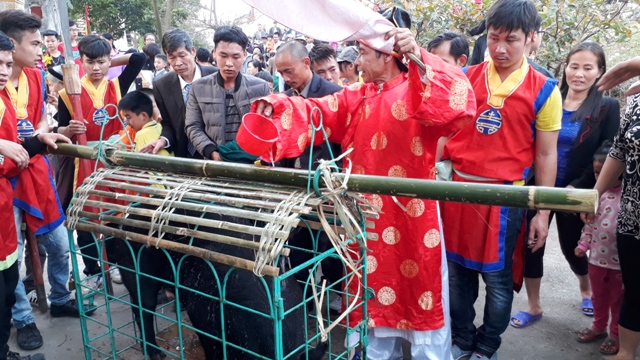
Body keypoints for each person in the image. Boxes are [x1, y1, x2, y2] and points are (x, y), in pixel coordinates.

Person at [248, 13, 476, 358]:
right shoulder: (358, 95)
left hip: (413, 218)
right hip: (367, 217)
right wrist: (278, 106)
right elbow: (316, 112)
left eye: (362, 53)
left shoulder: (419, 92)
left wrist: (418, 54)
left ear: (387, 56)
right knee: (371, 291)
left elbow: (457, 102)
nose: (356, 61)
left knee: (420, 289)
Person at [439, 1, 563, 359]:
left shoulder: (545, 90)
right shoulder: (466, 78)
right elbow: (446, 135)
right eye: (494, 38)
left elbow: (545, 155)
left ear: (532, 39)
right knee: (457, 273)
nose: (500, 48)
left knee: (497, 278)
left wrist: (542, 212)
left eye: (511, 39)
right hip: (458, 189)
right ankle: (462, 338)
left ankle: (489, 342)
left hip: (506, 197)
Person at [509, 42, 620, 331]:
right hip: (539, 188)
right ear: (565, 67)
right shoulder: (549, 97)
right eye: (574, 66)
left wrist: (579, 186)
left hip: (576, 191)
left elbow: (607, 152)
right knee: (532, 245)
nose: (579, 74)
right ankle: (534, 305)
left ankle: (586, 288)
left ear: (600, 72)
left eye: (587, 68)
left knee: (574, 248)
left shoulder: (608, 107)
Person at [0, 10, 89, 352]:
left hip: (35, 166)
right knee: (13, 252)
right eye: (35, 43)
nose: (42, 49)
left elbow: (38, 123)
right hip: (5, 176)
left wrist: (57, 132)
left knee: (59, 242)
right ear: (11, 44)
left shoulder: (37, 77)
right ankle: (22, 319)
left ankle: (61, 296)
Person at [56, 35, 145, 289]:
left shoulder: (118, 84)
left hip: (115, 161)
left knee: (116, 214)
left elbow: (139, 58)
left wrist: (108, 53)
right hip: (83, 163)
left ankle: (114, 262)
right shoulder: (66, 92)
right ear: (80, 62)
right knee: (86, 217)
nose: (96, 68)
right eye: (90, 62)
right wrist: (69, 130)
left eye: (102, 62)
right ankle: (93, 268)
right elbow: (59, 130)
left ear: (109, 61)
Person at [583, 79, 640, 360]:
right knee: (630, 291)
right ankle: (623, 347)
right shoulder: (636, 98)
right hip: (631, 220)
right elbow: (619, 149)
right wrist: (594, 197)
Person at [184, 26, 270, 162]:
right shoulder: (199, 87)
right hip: (214, 162)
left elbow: (267, 125)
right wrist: (211, 152)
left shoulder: (261, 87)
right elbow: (192, 126)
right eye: (223, 56)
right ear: (214, 53)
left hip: (251, 163)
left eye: (235, 57)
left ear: (244, 56)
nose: (229, 63)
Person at [574, 141, 623, 355]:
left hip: (620, 264)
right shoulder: (597, 196)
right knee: (599, 297)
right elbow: (590, 225)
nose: (599, 178)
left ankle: (616, 334)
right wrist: (583, 244)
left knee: (618, 301)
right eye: (596, 173)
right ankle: (599, 326)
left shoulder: (629, 199)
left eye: (606, 173)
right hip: (595, 261)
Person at [139, 29, 217, 159]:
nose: (178, 62)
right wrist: (163, 140)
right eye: (172, 57)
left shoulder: (216, 76)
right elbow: (168, 123)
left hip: (216, 155)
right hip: (184, 156)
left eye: (182, 55)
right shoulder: (162, 85)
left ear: (192, 51)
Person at [119, 91, 171, 157]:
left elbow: (140, 163)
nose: (126, 122)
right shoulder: (162, 128)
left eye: (128, 117)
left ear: (143, 115)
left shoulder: (141, 135)